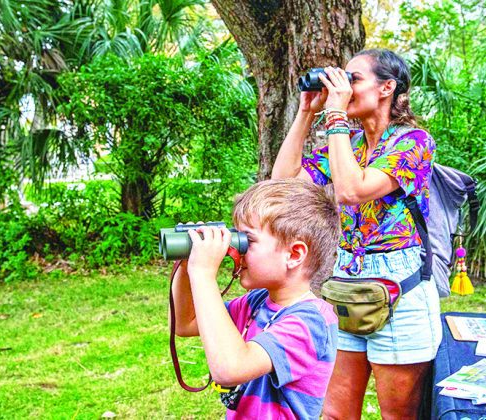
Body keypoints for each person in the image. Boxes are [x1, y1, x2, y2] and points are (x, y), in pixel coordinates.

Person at [271, 48, 442, 419]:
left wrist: (334, 114)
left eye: (353, 80)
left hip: (401, 290)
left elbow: (353, 190)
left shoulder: (413, 141)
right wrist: (306, 112)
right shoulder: (347, 143)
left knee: (397, 415)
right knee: (334, 413)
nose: (343, 89)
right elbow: (283, 186)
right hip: (347, 284)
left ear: (387, 88)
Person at [171, 178, 341, 419]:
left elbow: (231, 369)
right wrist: (189, 265)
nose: (236, 251)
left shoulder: (312, 322)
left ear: (294, 254)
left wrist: (203, 273)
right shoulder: (257, 302)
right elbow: (185, 323)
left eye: (247, 241)